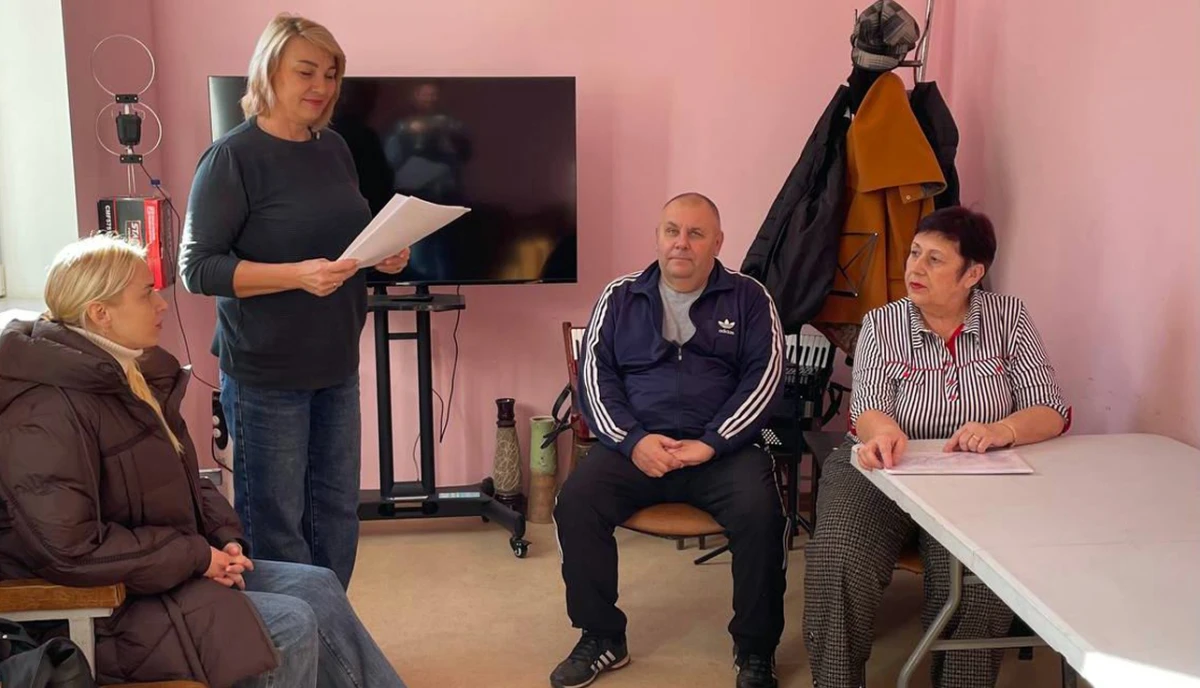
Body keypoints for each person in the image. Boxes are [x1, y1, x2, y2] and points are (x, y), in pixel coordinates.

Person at [0, 236, 408, 688]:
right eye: (146, 294)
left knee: (318, 586)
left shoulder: (129, 373)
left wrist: (224, 539)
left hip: (154, 575)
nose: (161, 305)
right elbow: (71, 550)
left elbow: (187, 481)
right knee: (288, 625)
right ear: (100, 313)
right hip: (98, 607)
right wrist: (195, 557)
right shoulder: (44, 410)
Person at [178, 12, 411, 589]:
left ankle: (329, 631)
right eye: (306, 71)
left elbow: (337, 244)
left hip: (336, 364)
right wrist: (293, 276)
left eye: (331, 74)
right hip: (267, 374)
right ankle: (289, 642)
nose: (321, 86)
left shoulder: (334, 148)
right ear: (269, 72)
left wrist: (380, 256)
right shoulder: (231, 158)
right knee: (276, 526)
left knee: (337, 518)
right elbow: (197, 269)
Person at [803, 207, 1071, 688]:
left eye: (934, 259)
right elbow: (867, 407)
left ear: (972, 274)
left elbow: (1050, 409)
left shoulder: (1009, 318)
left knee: (980, 578)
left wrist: (1002, 430)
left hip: (974, 474)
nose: (915, 268)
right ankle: (836, 681)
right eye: (914, 253)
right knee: (838, 555)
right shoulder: (883, 322)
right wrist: (882, 432)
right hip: (882, 466)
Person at [551, 193, 789, 688]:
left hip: (720, 451)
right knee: (576, 501)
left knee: (762, 512)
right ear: (657, 238)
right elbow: (593, 379)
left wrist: (713, 441)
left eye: (696, 233)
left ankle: (755, 650)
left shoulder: (749, 297)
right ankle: (601, 636)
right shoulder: (620, 296)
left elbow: (764, 379)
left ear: (717, 243)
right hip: (636, 448)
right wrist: (633, 441)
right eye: (672, 231)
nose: (682, 243)